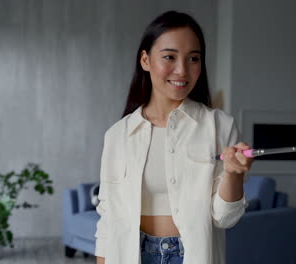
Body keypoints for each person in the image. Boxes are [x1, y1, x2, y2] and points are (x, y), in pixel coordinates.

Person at [95, 10, 253, 264]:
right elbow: (107, 215)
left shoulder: (221, 126)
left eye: (193, 59)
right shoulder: (117, 135)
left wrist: (235, 174)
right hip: (129, 255)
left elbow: (225, 219)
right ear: (145, 60)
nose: (182, 70)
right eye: (170, 56)